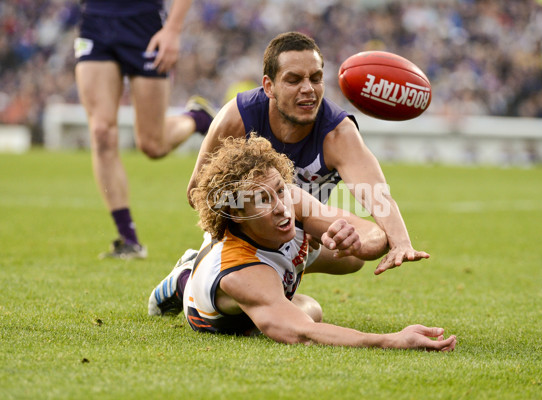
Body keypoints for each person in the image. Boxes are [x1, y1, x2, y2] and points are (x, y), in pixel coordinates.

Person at [149, 135, 456, 351]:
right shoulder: (240, 273)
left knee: (349, 260)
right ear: (237, 214)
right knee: (307, 316)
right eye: (262, 200)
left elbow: (369, 230)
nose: (282, 206)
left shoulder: (289, 200)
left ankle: (263, 276)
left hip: (267, 259)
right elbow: (304, 334)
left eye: (280, 191)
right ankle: (184, 279)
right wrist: (394, 339)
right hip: (217, 310)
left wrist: (354, 240)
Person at [187, 31, 429, 276]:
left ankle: (256, 269)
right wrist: (256, 219)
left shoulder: (338, 133)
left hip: (300, 230)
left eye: (316, 78)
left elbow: (378, 197)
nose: (308, 89)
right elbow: (197, 193)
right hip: (245, 230)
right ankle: (196, 270)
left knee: (353, 257)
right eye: (293, 80)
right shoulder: (237, 118)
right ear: (269, 86)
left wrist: (401, 243)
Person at [74, 0, 216, 259]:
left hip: (144, 23)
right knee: (101, 132)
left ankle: (196, 118)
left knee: (153, 145)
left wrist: (173, 30)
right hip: (95, 21)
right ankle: (128, 239)